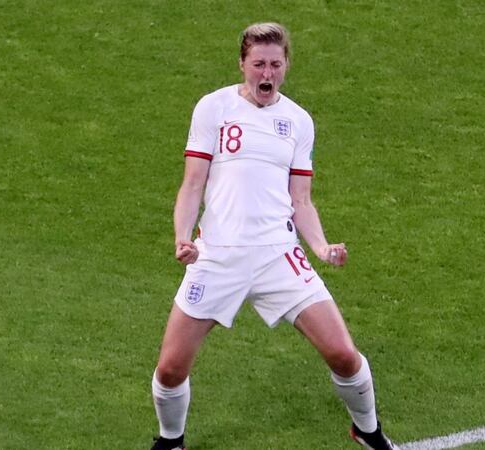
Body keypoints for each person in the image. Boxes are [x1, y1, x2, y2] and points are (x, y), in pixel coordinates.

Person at [150, 22, 398, 450]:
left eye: (276, 65)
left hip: (278, 254)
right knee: (171, 369)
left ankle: (368, 431)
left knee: (343, 354)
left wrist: (320, 247)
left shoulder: (299, 121)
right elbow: (192, 185)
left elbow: (301, 199)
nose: (267, 74)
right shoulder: (213, 108)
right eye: (259, 64)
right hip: (217, 255)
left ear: (286, 66)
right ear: (243, 64)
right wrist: (182, 237)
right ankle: (171, 441)